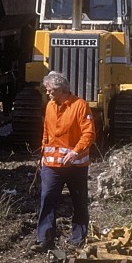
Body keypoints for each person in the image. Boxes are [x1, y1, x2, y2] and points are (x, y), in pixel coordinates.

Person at [33, 71, 96, 253]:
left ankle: (78, 239)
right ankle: (44, 239)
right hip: (51, 167)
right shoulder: (50, 106)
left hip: (75, 167)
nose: (48, 93)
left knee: (79, 202)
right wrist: (43, 156)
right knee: (47, 200)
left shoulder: (80, 106)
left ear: (61, 90)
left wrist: (76, 152)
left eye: (50, 90)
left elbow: (89, 134)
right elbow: (46, 132)